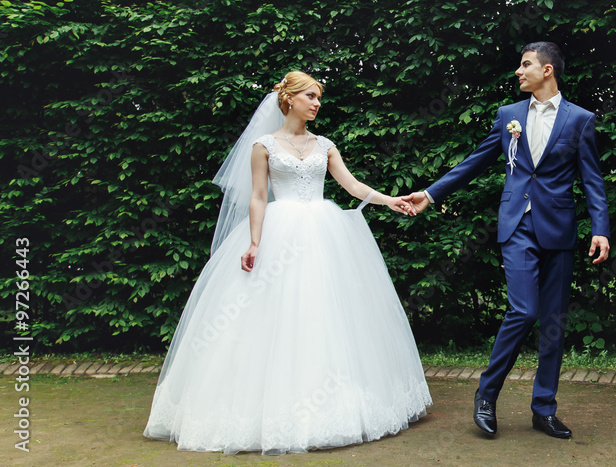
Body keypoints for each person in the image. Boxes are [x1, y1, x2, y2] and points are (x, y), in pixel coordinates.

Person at [144, 71, 431, 455]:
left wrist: (391, 200)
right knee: (268, 319)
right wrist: (254, 242)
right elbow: (259, 197)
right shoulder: (263, 146)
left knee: (324, 314)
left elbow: (352, 186)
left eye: (318, 98)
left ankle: (331, 406)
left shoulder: (325, 145)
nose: (316, 103)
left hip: (323, 233)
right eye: (310, 96)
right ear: (289, 99)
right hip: (280, 235)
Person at [403, 42, 610, 440]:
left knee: (553, 323)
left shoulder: (580, 119)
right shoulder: (508, 116)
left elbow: (592, 178)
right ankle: (486, 393)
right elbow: (474, 161)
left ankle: (543, 409)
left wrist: (600, 228)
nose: (519, 71)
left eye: (526, 64)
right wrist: (429, 195)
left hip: (560, 230)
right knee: (524, 310)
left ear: (547, 70)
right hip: (517, 226)